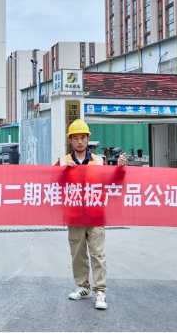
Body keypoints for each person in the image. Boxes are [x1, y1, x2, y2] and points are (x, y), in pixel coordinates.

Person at [56, 119, 126, 310]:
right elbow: (53, 183)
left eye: (83, 137)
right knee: (78, 254)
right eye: (76, 138)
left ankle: (100, 291)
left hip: (95, 214)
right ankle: (83, 287)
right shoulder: (63, 161)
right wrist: (64, 171)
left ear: (88, 139)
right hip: (74, 215)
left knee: (97, 253)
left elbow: (113, 181)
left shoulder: (99, 161)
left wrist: (119, 167)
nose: (80, 141)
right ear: (70, 140)